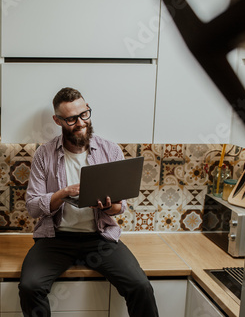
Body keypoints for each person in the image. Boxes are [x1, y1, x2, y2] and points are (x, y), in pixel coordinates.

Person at [19, 87, 159, 317]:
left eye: (84, 114)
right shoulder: (44, 154)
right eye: (71, 119)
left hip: (100, 238)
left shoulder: (110, 150)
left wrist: (107, 206)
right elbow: (33, 207)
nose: (81, 123)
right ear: (57, 120)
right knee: (30, 287)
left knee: (140, 286)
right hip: (55, 239)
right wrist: (63, 193)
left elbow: (120, 206)